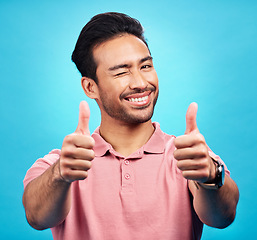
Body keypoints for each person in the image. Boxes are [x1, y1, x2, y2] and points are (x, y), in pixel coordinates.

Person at [23, 12, 239, 240]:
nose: (140, 83)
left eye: (145, 66)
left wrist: (211, 177)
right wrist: (60, 175)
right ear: (90, 87)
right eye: (122, 71)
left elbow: (224, 217)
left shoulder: (189, 157)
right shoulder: (64, 164)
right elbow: (36, 217)